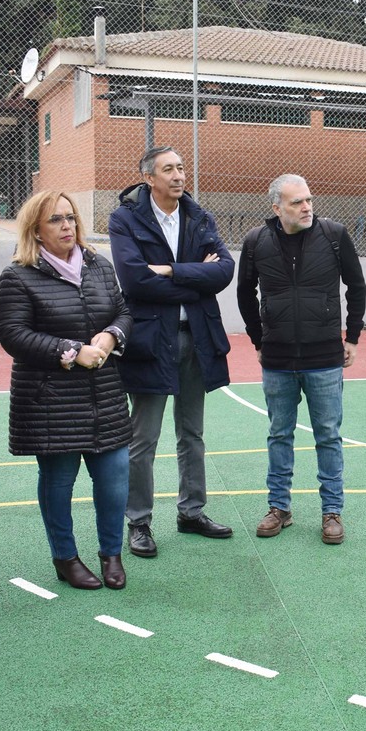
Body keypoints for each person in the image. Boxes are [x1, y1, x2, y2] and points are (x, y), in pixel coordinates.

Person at [0, 191, 133, 590]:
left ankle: (111, 554)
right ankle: (66, 558)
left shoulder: (98, 264)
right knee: (58, 483)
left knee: (114, 479)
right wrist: (71, 351)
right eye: (55, 219)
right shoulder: (18, 275)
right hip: (50, 401)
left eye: (70, 217)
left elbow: (123, 311)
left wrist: (112, 335)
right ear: (36, 230)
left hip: (104, 395)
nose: (67, 225)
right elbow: (13, 334)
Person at [108, 146, 235, 558]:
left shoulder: (199, 216)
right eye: (169, 169)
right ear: (149, 178)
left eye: (181, 167)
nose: (179, 175)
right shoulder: (125, 219)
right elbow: (135, 281)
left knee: (192, 433)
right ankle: (138, 522)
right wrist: (196, 279)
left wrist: (171, 270)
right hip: (151, 341)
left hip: (196, 337)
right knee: (143, 438)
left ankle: (191, 512)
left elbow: (224, 270)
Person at [237, 174, 366, 544]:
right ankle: (279, 507)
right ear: (277, 208)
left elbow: (356, 286)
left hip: (324, 356)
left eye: (309, 199)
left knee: (328, 436)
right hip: (277, 358)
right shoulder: (256, 241)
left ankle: (332, 512)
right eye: (297, 202)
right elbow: (244, 293)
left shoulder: (334, 235)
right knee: (279, 434)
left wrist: (352, 337)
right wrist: (258, 340)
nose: (307, 207)